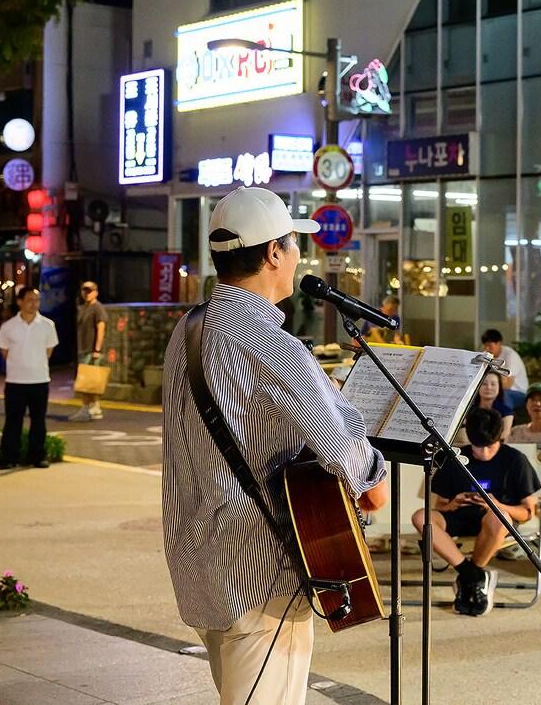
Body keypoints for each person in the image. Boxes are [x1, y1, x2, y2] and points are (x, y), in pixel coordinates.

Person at [161, 186, 388, 703]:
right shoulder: (269, 343)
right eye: (293, 244)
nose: (298, 257)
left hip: (199, 560)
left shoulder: (187, 333)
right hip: (261, 571)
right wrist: (373, 479)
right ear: (272, 254)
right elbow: (341, 449)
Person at [416, 406, 540, 617]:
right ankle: (473, 576)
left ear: (499, 438)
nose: (483, 453)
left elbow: (528, 512)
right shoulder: (455, 458)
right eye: (477, 447)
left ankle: (469, 578)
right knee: (421, 517)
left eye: (489, 446)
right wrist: (453, 503)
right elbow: (440, 506)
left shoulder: (515, 460)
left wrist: (496, 504)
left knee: (497, 517)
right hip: (460, 515)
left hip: (497, 521)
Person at [0, 288, 59, 469]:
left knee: (38, 421)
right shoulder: (9, 326)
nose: (34, 304)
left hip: (40, 380)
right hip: (15, 381)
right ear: (20, 302)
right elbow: (5, 352)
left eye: (37, 300)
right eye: (30, 300)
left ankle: (37, 456)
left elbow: (49, 351)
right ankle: (10, 457)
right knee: (13, 421)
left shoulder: (47, 325)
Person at [70, 280, 108, 422]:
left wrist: (97, 349)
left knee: (87, 381)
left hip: (90, 349)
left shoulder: (97, 308)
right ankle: (94, 407)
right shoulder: (84, 307)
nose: (86, 293)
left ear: (95, 292)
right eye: (84, 291)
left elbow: (101, 328)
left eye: (89, 291)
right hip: (83, 348)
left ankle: (86, 408)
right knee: (90, 380)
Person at [481, 328, 528, 407]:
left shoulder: (510, 355)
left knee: (504, 395)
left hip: (517, 392)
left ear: (498, 343)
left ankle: (506, 418)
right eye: (485, 346)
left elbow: (508, 384)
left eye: (490, 346)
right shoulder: (485, 355)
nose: (487, 349)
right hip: (496, 389)